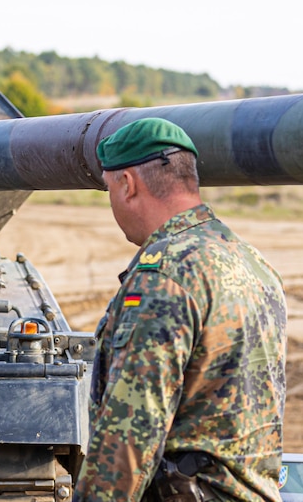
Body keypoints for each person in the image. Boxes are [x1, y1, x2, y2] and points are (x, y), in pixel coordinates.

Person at [74, 118, 287, 501]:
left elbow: (129, 433)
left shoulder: (165, 275)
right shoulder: (253, 263)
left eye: (108, 189)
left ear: (127, 184)